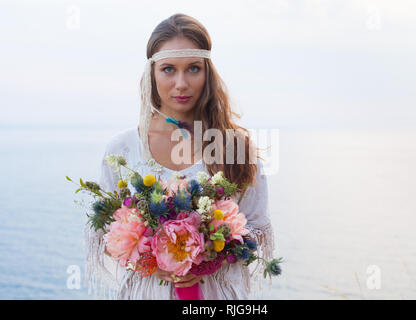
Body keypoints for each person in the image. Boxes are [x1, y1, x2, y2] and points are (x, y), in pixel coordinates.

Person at [84, 13, 274, 300]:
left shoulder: (236, 146)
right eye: (169, 69)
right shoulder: (122, 149)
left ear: (207, 73)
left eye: (193, 69)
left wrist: (208, 258)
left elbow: (258, 229)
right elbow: (105, 234)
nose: (182, 83)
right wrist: (149, 261)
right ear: (152, 73)